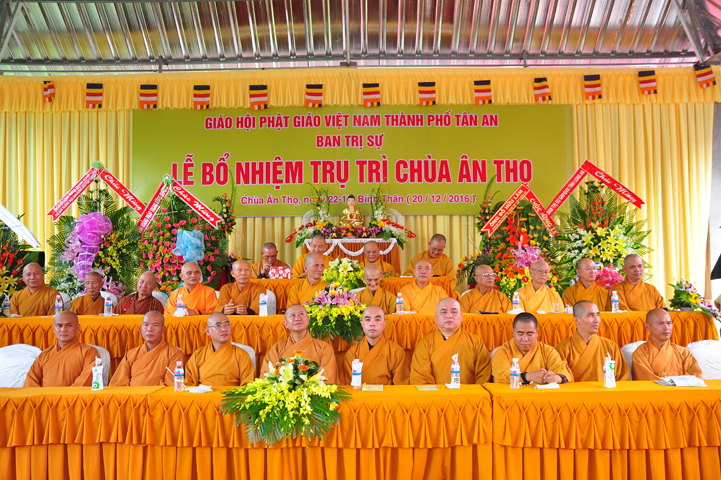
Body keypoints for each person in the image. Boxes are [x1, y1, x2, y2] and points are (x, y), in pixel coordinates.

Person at [410, 298, 491, 384]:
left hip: (470, 393)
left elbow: (484, 375)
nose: (449, 316)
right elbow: (420, 379)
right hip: (435, 393)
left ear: (461, 316)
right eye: (444, 312)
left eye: (454, 312)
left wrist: (473, 392)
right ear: (436, 317)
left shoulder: (475, 342)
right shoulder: (425, 344)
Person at [259, 304, 337, 382]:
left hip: (313, 389)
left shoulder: (324, 348)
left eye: (301, 314)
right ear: (286, 324)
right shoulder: (277, 348)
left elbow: (327, 378)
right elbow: (267, 377)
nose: (297, 318)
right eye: (292, 315)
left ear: (308, 320)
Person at [554, 301, 629, 382]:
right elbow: (561, 379)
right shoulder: (563, 349)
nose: (597, 320)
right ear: (577, 320)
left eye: (598, 315)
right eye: (591, 315)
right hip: (575, 390)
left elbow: (623, 378)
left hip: (606, 390)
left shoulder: (611, 346)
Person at [493, 313, 573, 384]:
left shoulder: (547, 351)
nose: (525, 339)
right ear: (513, 332)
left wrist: (555, 378)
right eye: (520, 334)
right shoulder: (503, 351)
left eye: (529, 334)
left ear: (537, 332)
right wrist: (527, 376)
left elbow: (563, 372)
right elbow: (500, 377)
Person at [109, 311, 185, 386]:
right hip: (132, 394)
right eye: (146, 325)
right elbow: (118, 384)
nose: (149, 329)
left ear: (163, 330)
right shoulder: (131, 354)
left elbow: (172, 385)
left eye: (155, 325)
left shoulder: (174, 353)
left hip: (158, 394)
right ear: (141, 329)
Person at [23, 311, 98, 387]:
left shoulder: (89, 352)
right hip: (44, 395)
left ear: (78, 328)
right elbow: (30, 381)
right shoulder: (44, 355)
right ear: (53, 329)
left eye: (69, 325)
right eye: (59, 326)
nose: (63, 330)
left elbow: (86, 381)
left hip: (72, 395)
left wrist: (63, 395)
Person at [340, 306, 409, 385]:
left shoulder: (396, 352)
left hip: (386, 393)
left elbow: (401, 386)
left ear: (384, 324)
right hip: (359, 393)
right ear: (362, 324)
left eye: (377, 320)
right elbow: (347, 386)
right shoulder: (352, 353)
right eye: (367, 320)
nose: (372, 324)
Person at [184, 313, 255, 386]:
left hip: (231, 393)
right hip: (204, 393)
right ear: (208, 331)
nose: (224, 329)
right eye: (218, 325)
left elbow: (248, 385)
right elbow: (189, 383)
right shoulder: (198, 354)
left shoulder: (241, 354)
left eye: (227, 324)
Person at [631, 308, 702, 381]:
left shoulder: (683, 352)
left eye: (669, 323)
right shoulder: (640, 353)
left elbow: (696, 377)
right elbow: (646, 380)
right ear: (647, 327)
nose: (666, 328)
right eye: (660, 323)